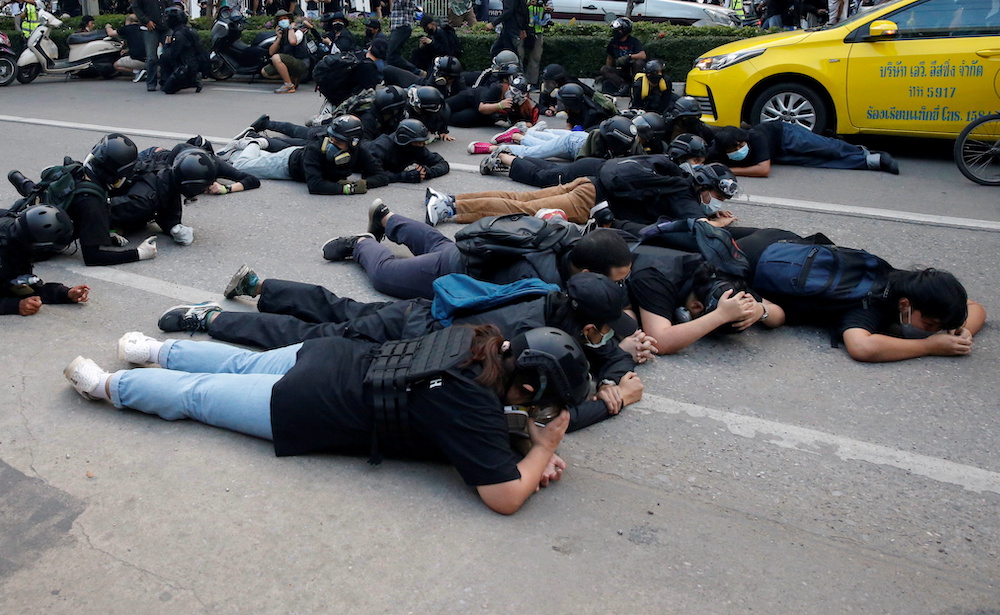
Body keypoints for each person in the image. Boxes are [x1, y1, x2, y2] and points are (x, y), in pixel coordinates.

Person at [64, 324, 592, 515]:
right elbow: (503, 497)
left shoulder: (482, 341)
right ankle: (105, 386)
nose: (540, 414)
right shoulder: (471, 404)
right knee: (199, 397)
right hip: (308, 406)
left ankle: (152, 349)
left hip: (327, 356)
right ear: (525, 388)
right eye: (541, 404)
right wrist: (542, 449)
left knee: (237, 363)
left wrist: (525, 446)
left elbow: (469, 423)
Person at [160, 269, 648, 429]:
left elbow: (613, 353)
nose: (609, 335)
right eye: (601, 329)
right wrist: (611, 401)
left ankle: (262, 285)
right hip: (409, 341)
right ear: (583, 324)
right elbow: (534, 415)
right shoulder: (521, 339)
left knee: (341, 308)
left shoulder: (554, 301)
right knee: (310, 342)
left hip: (422, 320)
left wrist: (615, 371)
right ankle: (210, 318)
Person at [734, 227, 986, 362]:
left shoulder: (900, 277)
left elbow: (975, 307)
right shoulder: (871, 305)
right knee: (700, 246)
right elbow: (861, 347)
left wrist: (963, 331)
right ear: (905, 305)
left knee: (702, 229)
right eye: (930, 324)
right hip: (746, 264)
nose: (933, 330)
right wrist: (928, 346)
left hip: (779, 239)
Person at [322, 202, 634, 300]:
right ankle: (362, 243)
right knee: (385, 276)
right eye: (615, 281)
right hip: (457, 268)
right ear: (590, 273)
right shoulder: (542, 283)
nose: (619, 286)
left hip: (481, 252)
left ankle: (388, 218)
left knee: (437, 243)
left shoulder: (572, 238)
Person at [431, 157, 737, 226]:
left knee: (521, 199)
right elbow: (696, 228)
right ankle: (451, 210)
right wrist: (718, 222)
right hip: (589, 199)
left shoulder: (674, 175)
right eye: (717, 198)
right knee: (521, 210)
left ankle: (451, 199)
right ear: (706, 186)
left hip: (588, 183)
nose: (714, 204)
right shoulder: (684, 193)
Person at [9, 133, 158, 265]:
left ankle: (24, 184)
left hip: (22, 212)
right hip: (30, 244)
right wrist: (139, 253)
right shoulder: (92, 202)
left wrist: (102, 231)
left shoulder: (76, 171)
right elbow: (93, 257)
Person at [223, 114, 376, 195]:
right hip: (285, 165)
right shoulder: (315, 149)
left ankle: (238, 151)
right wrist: (349, 188)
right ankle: (253, 142)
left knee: (248, 160)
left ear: (353, 143)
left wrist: (365, 184)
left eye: (338, 141)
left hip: (295, 159)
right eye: (332, 138)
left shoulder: (358, 151)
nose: (332, 144)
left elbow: (380, 175)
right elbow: (315, 186)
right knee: (240, 166)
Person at [109, 147, 217, 246]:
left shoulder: (167, 176)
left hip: (132, 201)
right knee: (138, 220)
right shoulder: (144, 201)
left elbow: (166, 203)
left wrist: (173, 227)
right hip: (116, 203)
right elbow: (98, 209)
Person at [710, 122, 900, 177]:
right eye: (734, 148)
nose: (739, 149)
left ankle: (864, 152)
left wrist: (729, 170)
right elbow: (700, 161)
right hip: (778, 154)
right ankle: (873, 161)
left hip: (785, 135)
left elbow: (763, 170)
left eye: (741, 145)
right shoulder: (717, 149)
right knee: (823, 162)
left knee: (827, 148)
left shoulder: (755, 137)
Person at [0, 205, 89, 316]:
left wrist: (65, 293)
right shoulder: (10, 244)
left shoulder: (19, 241)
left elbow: (24, 286)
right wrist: (13, 306)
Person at [361, 119, 451, 186]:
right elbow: (373, 175)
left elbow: (443, 163)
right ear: (406, 142)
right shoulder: (381, 148)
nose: (423, 145)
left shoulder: (417, 148)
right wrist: (404, 176)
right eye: (419, 142)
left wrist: (428, 172)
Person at [158, 5, 206, 94]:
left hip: (185, 66)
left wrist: (167, 45)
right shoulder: (189, 30)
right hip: (193, 64)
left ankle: (193, 80)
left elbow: (172, 55)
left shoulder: (179, 35)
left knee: (167, 89)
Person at [262, 9, 309, 94]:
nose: (282, 21)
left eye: (284, 18)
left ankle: (289, 85)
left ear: (290, 20)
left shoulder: (297, 32)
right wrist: (279, 37)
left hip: (301, 63)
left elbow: (293, 42)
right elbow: (271, 52)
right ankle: (291, 78)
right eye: (280, 20)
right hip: (288, 63)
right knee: (265, 72)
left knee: (276, 58)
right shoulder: (281, 34)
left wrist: (291, 28)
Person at [600, 18, 645, 97]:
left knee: (639, 63)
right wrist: (607, 74)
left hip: (632, 71)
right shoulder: (613, 42)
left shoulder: (633, 41)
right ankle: (624, 86)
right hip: (620, 72)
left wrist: (629, 57)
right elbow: (610, 58)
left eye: (619, 30)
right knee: (604, 69)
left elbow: (643, 55)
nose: (616, 32)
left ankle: (636, 86)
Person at [133, 0, 168, 92]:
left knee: (168, 54)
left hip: (166, 27)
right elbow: (136, 7)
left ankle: (166, 80)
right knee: (151, 57)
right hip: (150, 28)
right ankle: (151, 83)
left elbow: (170, 5)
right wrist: (146, 21)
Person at [387, 0, 422, 75]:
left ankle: (417, 72)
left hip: (402, 26)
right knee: (393, 55)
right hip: (398, 26)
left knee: (391, 56)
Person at [110, 14, 148, 82]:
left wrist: (108, 27)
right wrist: (127, 50)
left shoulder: (127, 28)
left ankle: (136, 71)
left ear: (128, 21)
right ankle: (145, 71)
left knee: (116, 65)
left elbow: (111, 33)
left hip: (137, 60)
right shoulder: (144, 28)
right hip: (149, 59)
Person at [523, 0, 552, 85]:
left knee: (536, 57)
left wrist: (546, 8)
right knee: (519, 55)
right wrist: (528, 4)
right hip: (523, 30)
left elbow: (550, 7)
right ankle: (518, 81)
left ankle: (532, 82)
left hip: (537, 31)